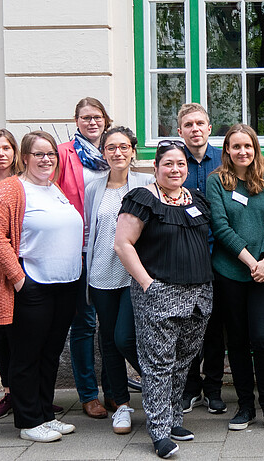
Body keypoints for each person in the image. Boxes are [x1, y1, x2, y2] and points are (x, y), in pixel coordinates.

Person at [114, 140, 214, 458]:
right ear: (155, 168)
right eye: (168, 164)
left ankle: (173, 420)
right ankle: (158, 432)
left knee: (183, 361)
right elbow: (123, 244)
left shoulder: (195, 198)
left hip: (199, 294)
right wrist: (148, 285)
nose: (175, 169)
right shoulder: (142, 199)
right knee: (157, 364)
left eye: (181, 163)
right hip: (159, 293)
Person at [0, 130, 81, 443]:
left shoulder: (54, 189)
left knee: (50, 353)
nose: (46, 159)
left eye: (50, 153)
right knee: (26, 355)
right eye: (38, 154)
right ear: (24, 157)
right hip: (32, 285)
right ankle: (28, 421)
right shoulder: (11, 189)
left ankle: (45, 414)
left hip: (64, 286)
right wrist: (19, 280)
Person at [207, 124, 264, 436]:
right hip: (230, 273)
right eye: (236, 146)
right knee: (238, 341)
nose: (242, 151)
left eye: (248, 146)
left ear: (256, 150)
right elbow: (220, 226)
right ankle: (245, 406)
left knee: (262, 338)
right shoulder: (217, 182)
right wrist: (251, 261)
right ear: (227, 150)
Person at [85, 126, 153, 434]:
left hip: (133, 275)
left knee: (126, 336)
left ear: (132, 151)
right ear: (103, 153)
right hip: (101, 273)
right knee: (108, 340)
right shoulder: (93, 189)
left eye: (123, 147)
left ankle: (158, 382)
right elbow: (90, 233)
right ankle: (122, 404)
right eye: (111, 147)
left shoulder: (147, 185)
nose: (118, 152)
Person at [57, 97, 113, 419]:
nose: (92, 122)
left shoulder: (113, 150)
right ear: (76, 120)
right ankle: (88, 394)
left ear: (105, 119)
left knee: (114, 322)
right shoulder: (64, 154)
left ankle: (114, 390)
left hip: (110, 247)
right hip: (78, 249)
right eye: (85, 117)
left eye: (97, 116)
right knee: (84, 323)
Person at [178, 103, 228, 415]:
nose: (195, 129)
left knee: (214, 326)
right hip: (183, 259)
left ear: (209, 129)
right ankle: (190, 387)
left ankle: (213, 388)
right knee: (186, 325)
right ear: (180, 131)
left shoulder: (223, 160)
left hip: (218, 254)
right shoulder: (173, 162)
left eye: (200, 124)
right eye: (188, 125)